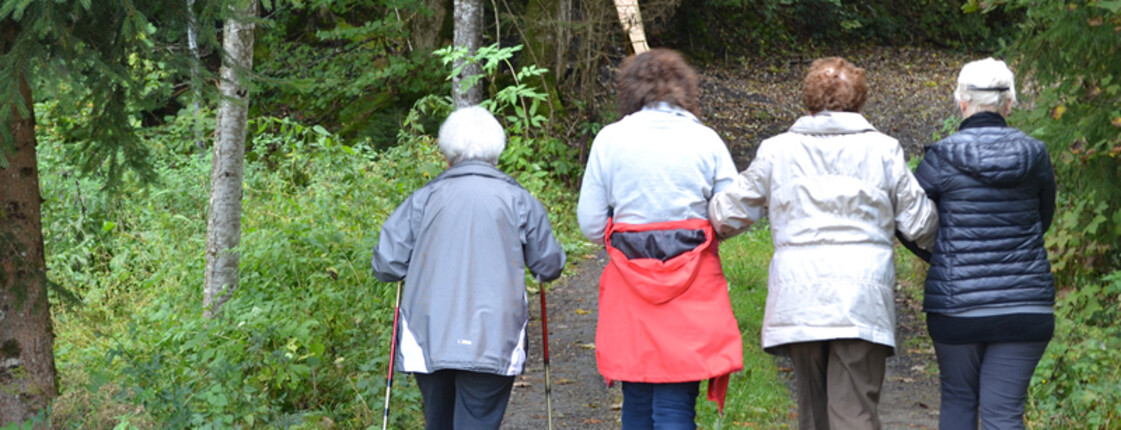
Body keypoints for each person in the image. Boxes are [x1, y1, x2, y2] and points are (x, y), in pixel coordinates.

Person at [708, 57, 939, 430]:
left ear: (808, 101)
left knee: (813, 414)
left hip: (799, 299)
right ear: (860, 101)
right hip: (862, 300)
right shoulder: (884, 150)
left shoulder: (776, 150)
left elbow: (727, 216)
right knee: (855, 412)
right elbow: (920, 224)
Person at [576, 48, 744, 429]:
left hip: (629, 285)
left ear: (631, 92)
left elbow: (589, 224)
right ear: (685, 90)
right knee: (675, 401)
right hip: (693, 286)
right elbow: (733, 216)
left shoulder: (609, 140)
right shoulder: (707, 141)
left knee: (636, 395)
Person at [371, 106, 567, 430]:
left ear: (446, 154)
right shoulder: (519, 200)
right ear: (497, 153)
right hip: (493, 338)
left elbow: (386, 264)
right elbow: (549, 265)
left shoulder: (423, 199)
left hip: (428, 336)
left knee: (438, 422)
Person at [902, 57, 1056, 430]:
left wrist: (940, 253)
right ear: (1009, 104)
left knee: (957, 403)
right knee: (1004, 417)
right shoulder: (1035, 156)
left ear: (961, 102)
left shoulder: (940, 157)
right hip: (1025, 305)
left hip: (957, 308)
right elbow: (1043, 218)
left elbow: (907, 222)